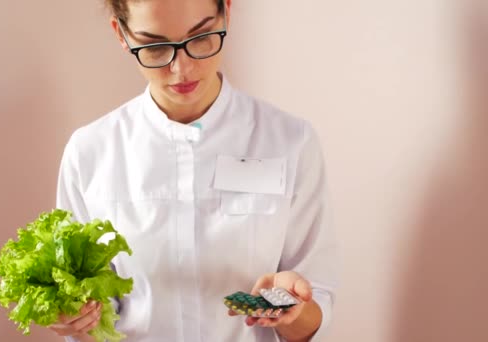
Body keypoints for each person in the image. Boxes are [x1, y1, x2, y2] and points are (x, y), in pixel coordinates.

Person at [49, 0, 337, 341]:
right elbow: (85, 315)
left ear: (226, 12)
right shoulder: (90, 152)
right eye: (155, 46)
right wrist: (75, 317)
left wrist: (295, 310)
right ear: (122, 34)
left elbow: (316, 302)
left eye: (200, 38)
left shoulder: (292, 142)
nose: (180, 68)